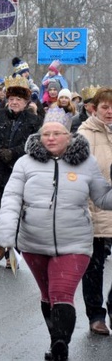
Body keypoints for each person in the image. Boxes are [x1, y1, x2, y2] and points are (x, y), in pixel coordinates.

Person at [0, 111, 112, 361]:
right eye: (46, 133)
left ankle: (61, 344)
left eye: (57, 133)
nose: (50, 138)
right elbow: (12, 197)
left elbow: (103, 199)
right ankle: (55, 340)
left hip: (75, 243)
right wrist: (6, 229)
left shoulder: (86, 162)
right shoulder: (25, 163)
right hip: (33, 242)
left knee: (62, 293)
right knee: (48, 295)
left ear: (69, 136)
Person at [0, 76, 43, 265]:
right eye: (12, 99)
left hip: (21, 172)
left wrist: (14, 152)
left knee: (18, 211)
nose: (14, 102)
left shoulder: (34, 121)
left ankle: (11, 251)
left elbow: (37, 142)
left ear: (25, 102)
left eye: (19, 100)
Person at [78, 87, 112, 336]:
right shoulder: (83, 135)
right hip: (96, 209)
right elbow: (77, 176)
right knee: (94, 267)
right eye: (105, 107)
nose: (110, 112)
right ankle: (96, 315)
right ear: (94, 109)